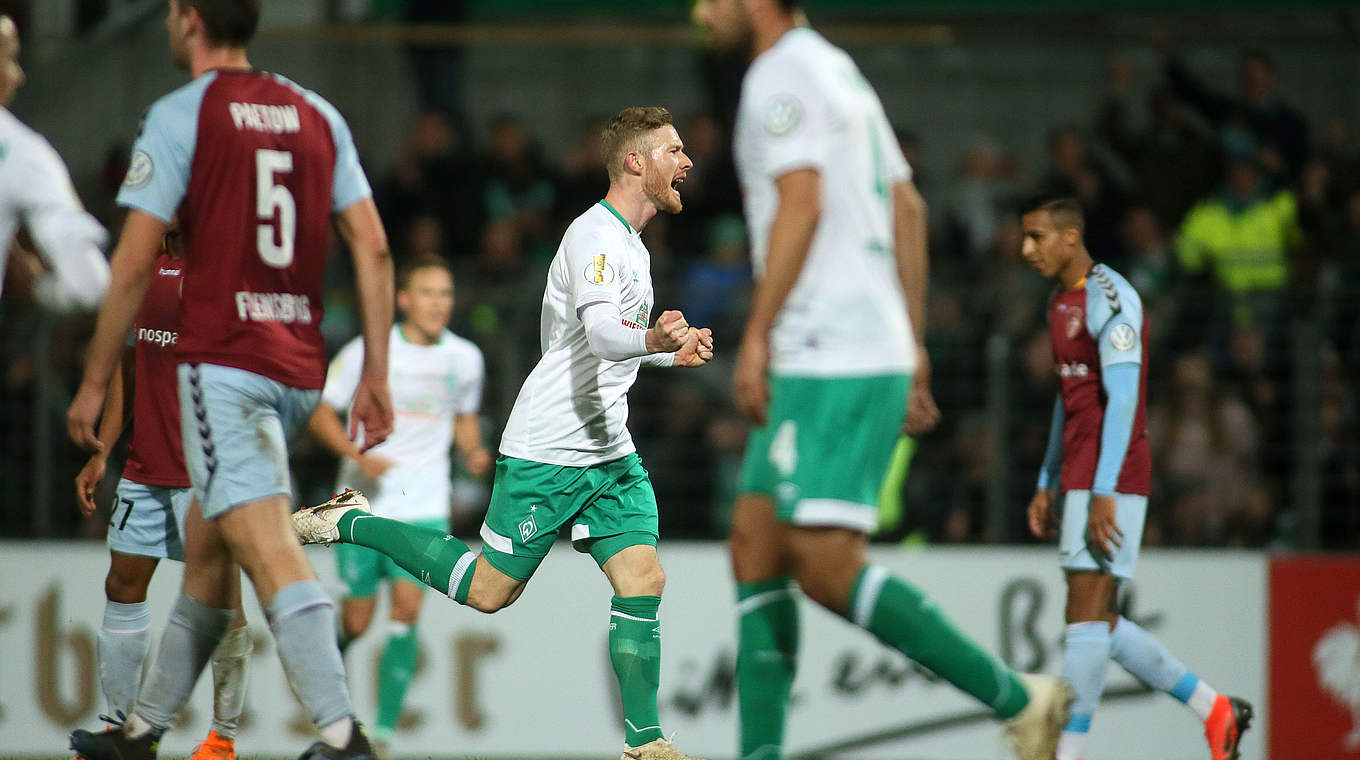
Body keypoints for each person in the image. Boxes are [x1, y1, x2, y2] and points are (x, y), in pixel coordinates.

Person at [689, 2, 1071, 760]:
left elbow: (803, 201)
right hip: (850, 342)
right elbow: (909, 207)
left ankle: (1020, 698)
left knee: (827, 567)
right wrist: (913, 340)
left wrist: (757, 333)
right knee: (754, 542)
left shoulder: (780, 74)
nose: (699, 8)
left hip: (831, 348)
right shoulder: (838, 71)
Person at [290, 105, 714, 760]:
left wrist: (664, 353)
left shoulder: (632, 245)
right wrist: (651, 337)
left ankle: (645, 743)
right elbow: (604, 334)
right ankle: (353, 523)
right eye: (674, 150)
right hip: (552, 448)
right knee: (490, 591)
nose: (686, 162)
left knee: (644, 578)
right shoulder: (595, 237)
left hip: (609, 450)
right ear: (637, 160)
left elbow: (599, 343)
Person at [64, 1, 395, 759]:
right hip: (295, 358)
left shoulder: (182, 114)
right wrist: (375, 371)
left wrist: (91, 381)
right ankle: (141, 732)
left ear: (186, 20)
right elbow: (372, 249)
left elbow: (137, 261)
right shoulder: (316, 112)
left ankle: (343, 736)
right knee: (208, 559)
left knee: (270, 549)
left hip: (225, 368)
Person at [1019, 196, 1253, 760]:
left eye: (1037, 237)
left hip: (1112, 472)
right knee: (1099, 618)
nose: (1027, 249)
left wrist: (1103, 491)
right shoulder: (1059, 302)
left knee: (1083, 616)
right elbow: (1070, 397)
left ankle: (1066, 753)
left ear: (1071, 236)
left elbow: (1124, 400)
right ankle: (1214, 709)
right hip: (1080, 470)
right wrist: (1047, 476)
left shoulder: (1111, 297)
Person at [74, 226, 252, 760]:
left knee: (223, 606)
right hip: (145, 466)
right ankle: (121, 732)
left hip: (206, 473)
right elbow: (129, 364)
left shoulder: (225, 270)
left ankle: (222, 739)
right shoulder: (144, 268)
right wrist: (104, 448)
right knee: (123, 582)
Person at [308, 255, 490, 754]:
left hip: (425, 501)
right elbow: (321, 412)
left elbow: (464, 418)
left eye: (446, 294)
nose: (439, 304)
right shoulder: (370, 352)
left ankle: (383, 735)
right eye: (428, 294)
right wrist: (353, 456)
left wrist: (472, 450)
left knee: (407, 611)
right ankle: (334, 687)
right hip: (362, 505)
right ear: (405, 300)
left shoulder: (465, 359)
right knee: (358, 620)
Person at [0, 14, 110, 312]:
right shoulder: (21, 152)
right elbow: (88, 285)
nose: (19, 76)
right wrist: (38, 289)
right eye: (10, 59)